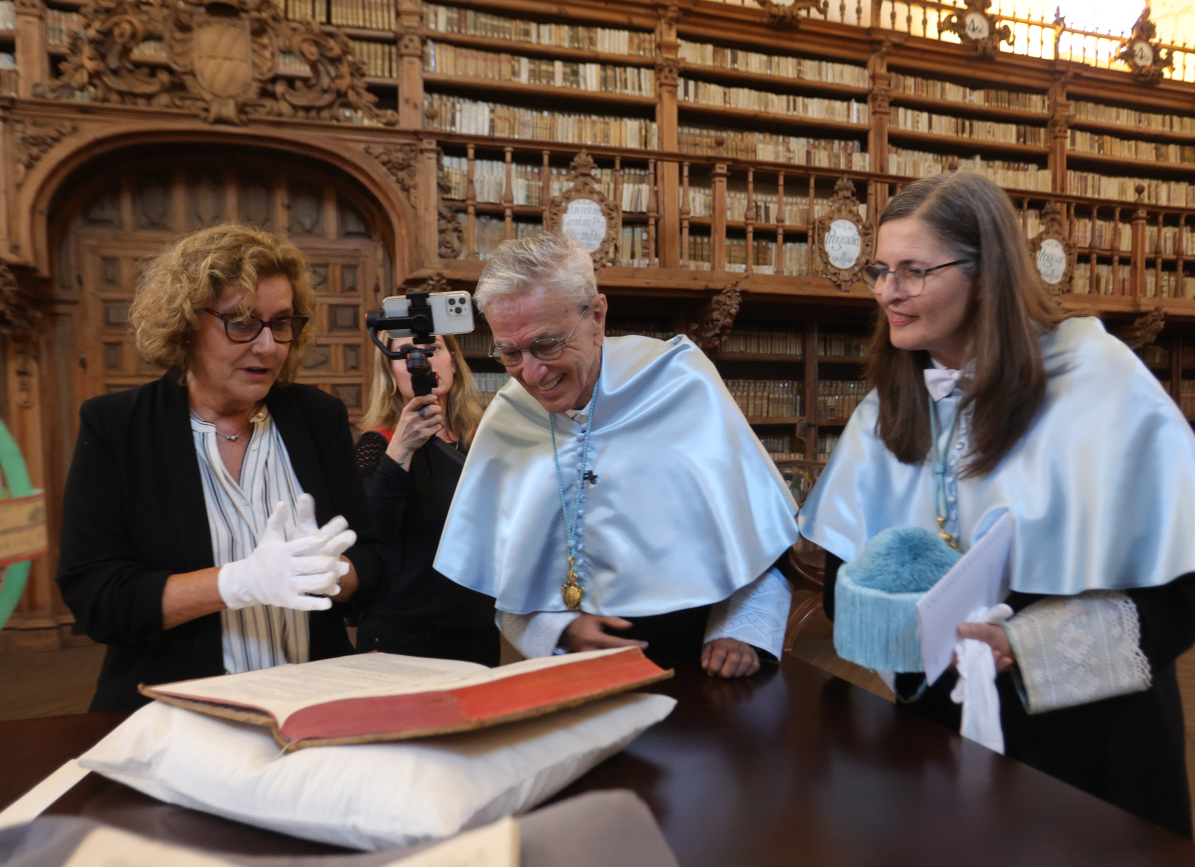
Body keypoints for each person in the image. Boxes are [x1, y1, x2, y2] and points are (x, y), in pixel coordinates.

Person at [799, 172, 1195, 838]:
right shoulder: (887, 408)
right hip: (941, 723)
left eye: (913, 272)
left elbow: (1176, 597)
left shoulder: (1101, 381)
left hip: (1093, 747)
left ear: (985, 274)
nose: (886, 292)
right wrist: (911, 627)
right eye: (881, 269)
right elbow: (845, 583)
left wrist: (1024, 646)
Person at [435, 232, 798, 678]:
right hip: (582, 676)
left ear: (598, 316)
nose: (530, 373)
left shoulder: (680, 383)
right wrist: (561, 629)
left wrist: (740, 630)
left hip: (700, 668)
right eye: (510, 353)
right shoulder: (509, 417)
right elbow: (498, 577)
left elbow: (762, 539)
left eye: (548, 344)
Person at [57, 224, 386, 711]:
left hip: (313, 704)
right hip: (176, 711)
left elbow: (374, 562)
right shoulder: (117, 427)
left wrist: (333, 573)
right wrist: (237, 582)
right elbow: (97, 600)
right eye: (241, 322)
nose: (269, 346)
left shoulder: (318, 417)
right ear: (186, 323)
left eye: (280, 324)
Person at [353, 331, 499, 665]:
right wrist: (402, 448)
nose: (419, 361)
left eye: (431, 349)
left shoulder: (484, 438)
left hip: (478, 629)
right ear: (391, 373)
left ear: (454, 363)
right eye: (404, 353)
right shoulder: (378, 445)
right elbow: (371, 537)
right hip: (403, 634)